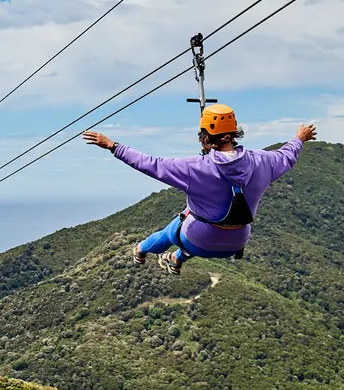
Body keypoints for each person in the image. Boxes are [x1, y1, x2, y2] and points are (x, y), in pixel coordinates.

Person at [82, 105, 317, 274]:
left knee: (174, 229)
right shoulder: (263, 161)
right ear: (234, 134)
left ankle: (140, 251)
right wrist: (300, 137)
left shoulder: (194, 168)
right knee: (200, 227)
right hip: (237, 241)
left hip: (199, 239)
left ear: (206, 137)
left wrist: (113, 146)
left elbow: (150, 164)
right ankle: (175, 259)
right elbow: (288, 155)